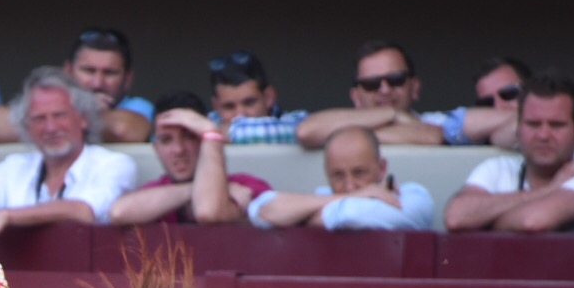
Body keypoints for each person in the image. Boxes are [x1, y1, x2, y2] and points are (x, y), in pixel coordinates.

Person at [0, 67, 136, 244]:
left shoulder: (113, 164)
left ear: (83, 118)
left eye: (59, 115)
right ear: (27, 127)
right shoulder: (16, 167)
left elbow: (85, 210)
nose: (50, 127)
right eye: (39, 118)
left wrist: (6, 215)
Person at [444, 72, 574, 233]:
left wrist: (479, 221)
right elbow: (456, 217)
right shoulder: (497, 168)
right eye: (533, 124)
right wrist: (551, 188)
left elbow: (533, 222)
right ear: (518, 127)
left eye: (556, 125)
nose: (543, 135)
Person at [295, 41, 517, 149]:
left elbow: (516, 122)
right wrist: (392, 114)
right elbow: (306, 131)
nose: (385, 90)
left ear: (415, 87)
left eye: (396, 79)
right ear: (355, 97)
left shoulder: (435, 121)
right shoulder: (333, 123)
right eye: (371, 84)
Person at [108, 91, 270, 226]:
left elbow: (209, 211)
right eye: (166, 140)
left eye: (189, 136)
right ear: (156, 149)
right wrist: (196, 189)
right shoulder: (157, 190)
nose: (179, 149)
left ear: (205, 142)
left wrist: (211, 132)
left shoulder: (244, 185)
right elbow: (119, 212)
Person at [0, 27, 151, 144]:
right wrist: (77, 112)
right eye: (88, 70)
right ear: (68, 72)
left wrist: (75, 111)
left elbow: (123, 130)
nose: (97, 82)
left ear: (128, 79)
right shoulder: (49, 103)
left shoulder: (139, 106)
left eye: (109, 73)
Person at [247, 126, 434, 231]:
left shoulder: (414, 196)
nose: (349, 186)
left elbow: (352, 216)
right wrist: (357, 195)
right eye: (338, 175)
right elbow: (263, 211)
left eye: (359, 173)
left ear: (382, 168)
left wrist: (301, 216)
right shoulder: (325, 197)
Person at [204, 50, 307, 144]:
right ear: (216, 106)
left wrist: (213, 133)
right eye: (229, 107)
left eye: (249, 103)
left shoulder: (298, 121)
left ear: (268, 97)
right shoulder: (207, 121)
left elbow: (303, 132)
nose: (240, 115)